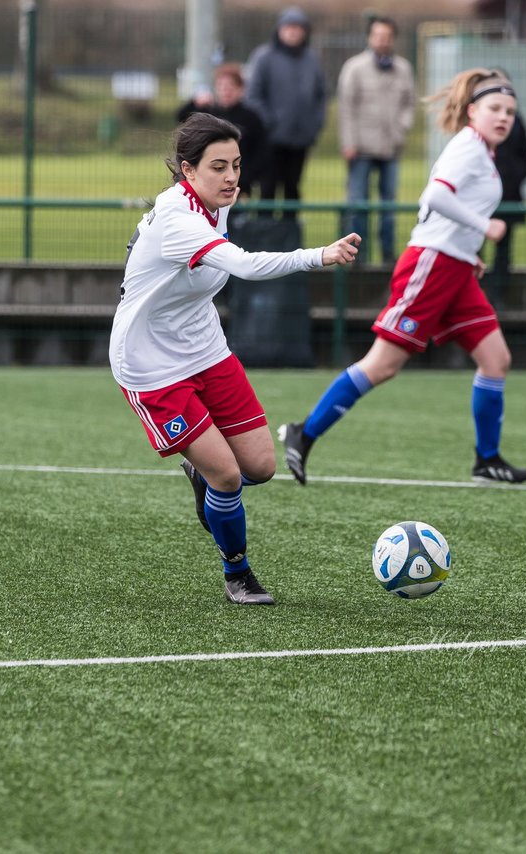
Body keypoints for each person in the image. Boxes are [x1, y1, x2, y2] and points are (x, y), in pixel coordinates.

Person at [110, 112, 360, 605]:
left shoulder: (215, 204)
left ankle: (206, 477)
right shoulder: (178, 220)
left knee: (261, 467)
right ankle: (237, 574)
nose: (231, 178)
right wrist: (320, 255)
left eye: (237, 165)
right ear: (188, 170)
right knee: (228, 477)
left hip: (205, 349)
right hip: (151, 364)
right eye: (218, 167)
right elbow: (244, 265)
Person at [279, 69, 526, 487]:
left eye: (510, 110)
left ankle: (487, 460)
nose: (504, 117)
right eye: (494, 108)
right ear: (473, 112)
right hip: (431, 267)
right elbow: (434, 195)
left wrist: (470, 253)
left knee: (496, 360)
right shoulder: (468, 147)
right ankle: (303, 433)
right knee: (382, 366)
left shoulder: (484, 154)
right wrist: (484, 228)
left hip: (456, 270)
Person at [337, 14, 415, 266]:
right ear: (370, 37)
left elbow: (409, 104)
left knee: (389, 207)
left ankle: (388, 256)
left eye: (387, 36)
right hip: (360, 148)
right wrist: (349, 142)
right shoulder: (354, 67)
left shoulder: (403, 68)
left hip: (391, 147)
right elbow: (346, 107)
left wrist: (402, 128)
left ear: (393, 39)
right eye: (378, 36)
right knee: (358, 205)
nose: (382, 41)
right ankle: (358, 258)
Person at [245, 6, 327, 219]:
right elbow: (252, 95)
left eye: (298, 28)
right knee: (268, 189)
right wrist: (269, 122)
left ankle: (291, 241)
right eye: (289, 27)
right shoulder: (264, 57)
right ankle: (265, 239)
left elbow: (321, 96)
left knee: (293, 189)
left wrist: (314, 124)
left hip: (300, 139)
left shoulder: (312, 59)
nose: (293, 32)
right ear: (279, 30)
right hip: (271, 140)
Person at [176, 63, 269, 200]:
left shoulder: (251, 118)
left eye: (230, 87)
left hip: (240, 184)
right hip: (210, 183)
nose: (226, 91)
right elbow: (181, 117)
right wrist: (195, 102)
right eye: (221, 87)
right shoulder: (208, 112)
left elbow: (261, 151)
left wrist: (247, 177)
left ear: (240, 89)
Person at [484, 68, 526, 307]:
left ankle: (498, 295)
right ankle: (476, 294)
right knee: (472, 249)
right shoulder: (477, 127)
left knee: (503, 251)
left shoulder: (517, 122)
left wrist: (513, 179)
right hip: (480, 200)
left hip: (508, 196)